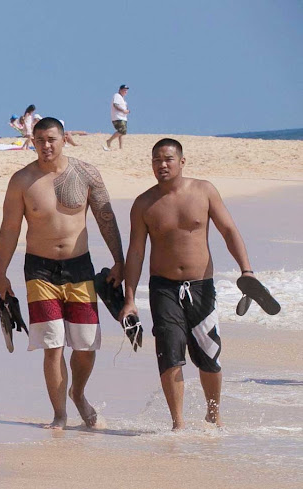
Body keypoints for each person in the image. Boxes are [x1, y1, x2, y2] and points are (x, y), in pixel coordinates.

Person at [0, 117, 124, 430]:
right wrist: (1, 273)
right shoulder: (22, 180)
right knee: (52, 345)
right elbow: (10, 227)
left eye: (51, 139)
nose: (46, 146)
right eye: (39, 140)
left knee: (85, 344)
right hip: (38, 269)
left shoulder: (86, 173)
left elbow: (106, 216)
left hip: (79, 267)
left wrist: (119, 260)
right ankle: (59, 415)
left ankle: (77, 393)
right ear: (33, 141)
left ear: (64, 138)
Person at [119, 138, 254, 430]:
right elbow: (136, 252)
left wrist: (247, 270)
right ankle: (178, 423)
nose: (162, 165)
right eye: (156, 160)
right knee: (169, 351)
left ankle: (213, 413)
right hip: (163, 288)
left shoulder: (204, 191)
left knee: (209, 356)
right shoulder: (144, 203)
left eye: (168, 159)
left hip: (201, 285)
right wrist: (129, 299)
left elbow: (228, 230)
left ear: (182, 161)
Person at [104, 85, 129, 150]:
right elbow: (115, 105)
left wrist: (127, 111)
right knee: (122, 131)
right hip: (118, 117)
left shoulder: (122, 98)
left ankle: (121, 147)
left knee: (121, 133)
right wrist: (123, 110)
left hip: (123, 117)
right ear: (120, 90)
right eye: (124, 90)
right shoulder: (117, 96)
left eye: (126, 90)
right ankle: (109, 140)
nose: (125, 91)